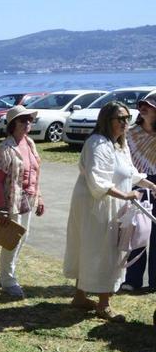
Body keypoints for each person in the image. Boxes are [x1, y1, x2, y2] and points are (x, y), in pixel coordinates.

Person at [64, 102, 156, 322]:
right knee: (102, 250)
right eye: (120, 119)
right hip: (96, 207)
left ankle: (80, 296)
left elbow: (130, 173)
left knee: (97, 248)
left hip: (110, 205)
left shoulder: (118, 145)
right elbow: (98, 180)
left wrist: (151, 186)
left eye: (127, 118)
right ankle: (103, 304)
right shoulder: (97, 143)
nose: (125, 123)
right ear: (107, 120)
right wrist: (126, 196)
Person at [0, 105, 45, 299]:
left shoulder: (29, 143)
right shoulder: (5, 148)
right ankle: (8, 280)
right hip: (11, 200)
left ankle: (7, 273)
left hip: (28, 198)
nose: (28, 123)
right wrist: (2, 207)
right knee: (12, 239)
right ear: (12, 124)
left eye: (30, 119)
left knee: (23, 238)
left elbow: (35, 173)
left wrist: (40, 197)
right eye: (23, 120)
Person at [122, 96, 156, 292]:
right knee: (136, 231)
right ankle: (132, 280)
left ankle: (155, 282)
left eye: (148, 106)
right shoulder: (130, 133)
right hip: (137, 182)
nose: (143, 108)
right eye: (141, 105)